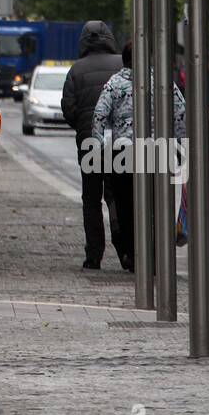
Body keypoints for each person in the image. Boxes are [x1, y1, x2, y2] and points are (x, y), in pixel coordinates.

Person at [92, 41, 186, 272]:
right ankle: (154, 253)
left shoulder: (113, 84)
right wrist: (178, 144)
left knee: (126, 205)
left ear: (123, 60)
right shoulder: (163, 82)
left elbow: (99, 116)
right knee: (156, 203)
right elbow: (180, 112)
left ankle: (133, 253)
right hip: (156, 151)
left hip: (123, 154)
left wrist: (100, 147)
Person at [61, 21, 123, 270]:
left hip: (89, 143)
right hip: (120, 142)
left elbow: (69, 108)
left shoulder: (76, 70)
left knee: (91, 198)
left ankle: (94, 254)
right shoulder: (122, 65)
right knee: (119, 195)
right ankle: (126, 249)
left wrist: (83, 128)